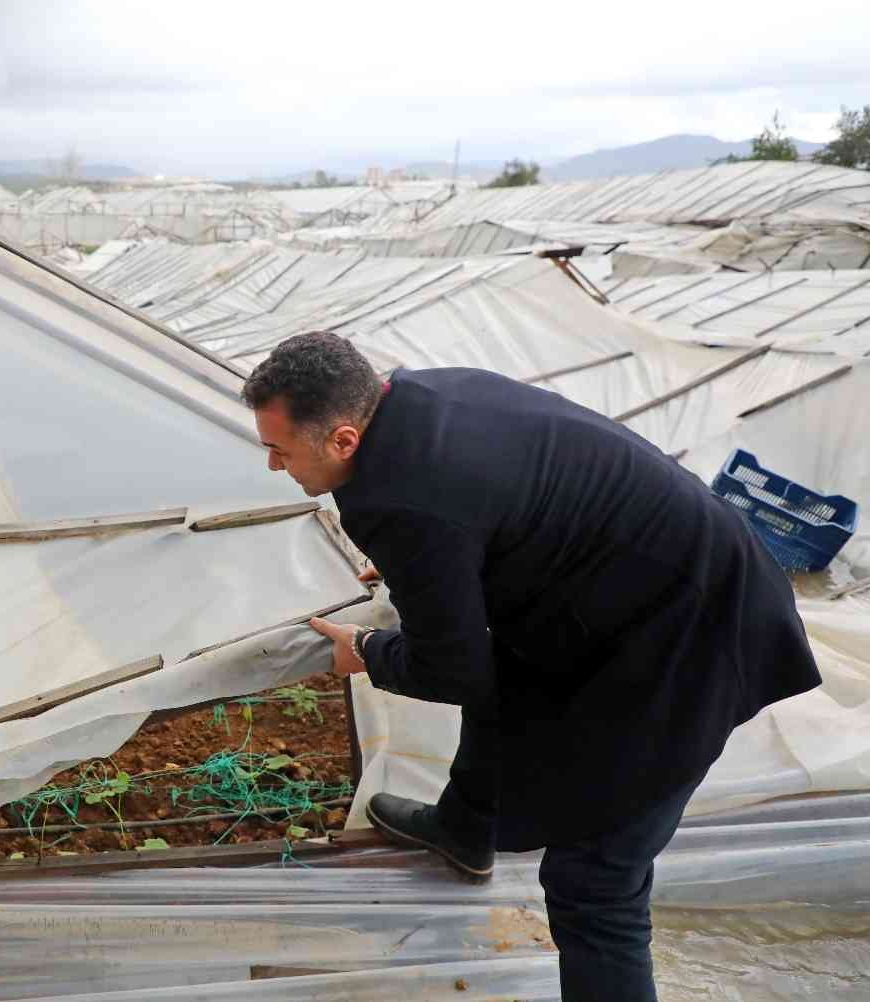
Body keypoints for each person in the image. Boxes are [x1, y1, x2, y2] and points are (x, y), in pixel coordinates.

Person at [241, 331, 821, 1002]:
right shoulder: (423, 393)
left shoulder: (402, 501)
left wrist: (368, 653)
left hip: (696, 635)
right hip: (651, 572)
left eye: (279, 450)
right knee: (509, 662)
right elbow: (482, 508)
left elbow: (449, 668)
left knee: (595, 881)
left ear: (343, 440)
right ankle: (465, 829)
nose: (275, 467)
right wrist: (434, 563)